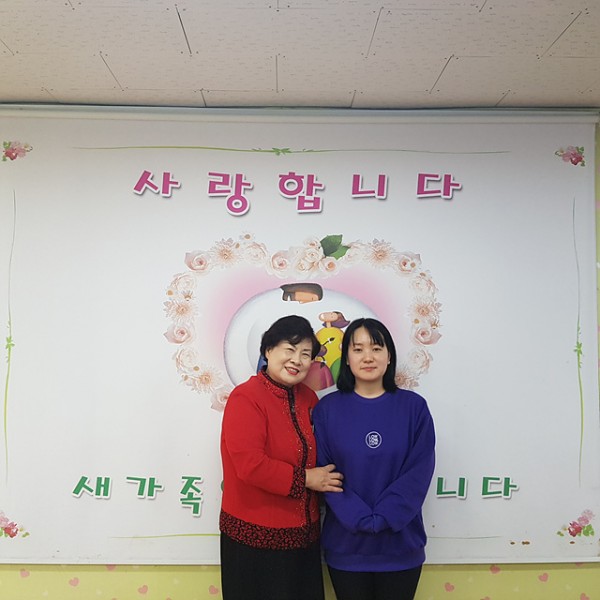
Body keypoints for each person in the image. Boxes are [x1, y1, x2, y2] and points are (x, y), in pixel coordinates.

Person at [220, 315, 344, 600]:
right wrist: (307, 479)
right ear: (268, 350)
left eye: (305, 354)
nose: (297, 360)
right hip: (254, 541)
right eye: (289, 349)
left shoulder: (309, 399)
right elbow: (250, 465)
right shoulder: (246, 397)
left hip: (304, 539)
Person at [312, 317, 435, 600]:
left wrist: (383, 518)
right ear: (346, 358)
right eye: (358, 349)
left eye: (376, 348)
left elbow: (418, 473)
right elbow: (325, 473)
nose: (368, 357)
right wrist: (360, 519)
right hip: (346, 547)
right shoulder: (327, 409)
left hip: (401, 546)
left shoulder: (414, 408)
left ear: (389, 356)